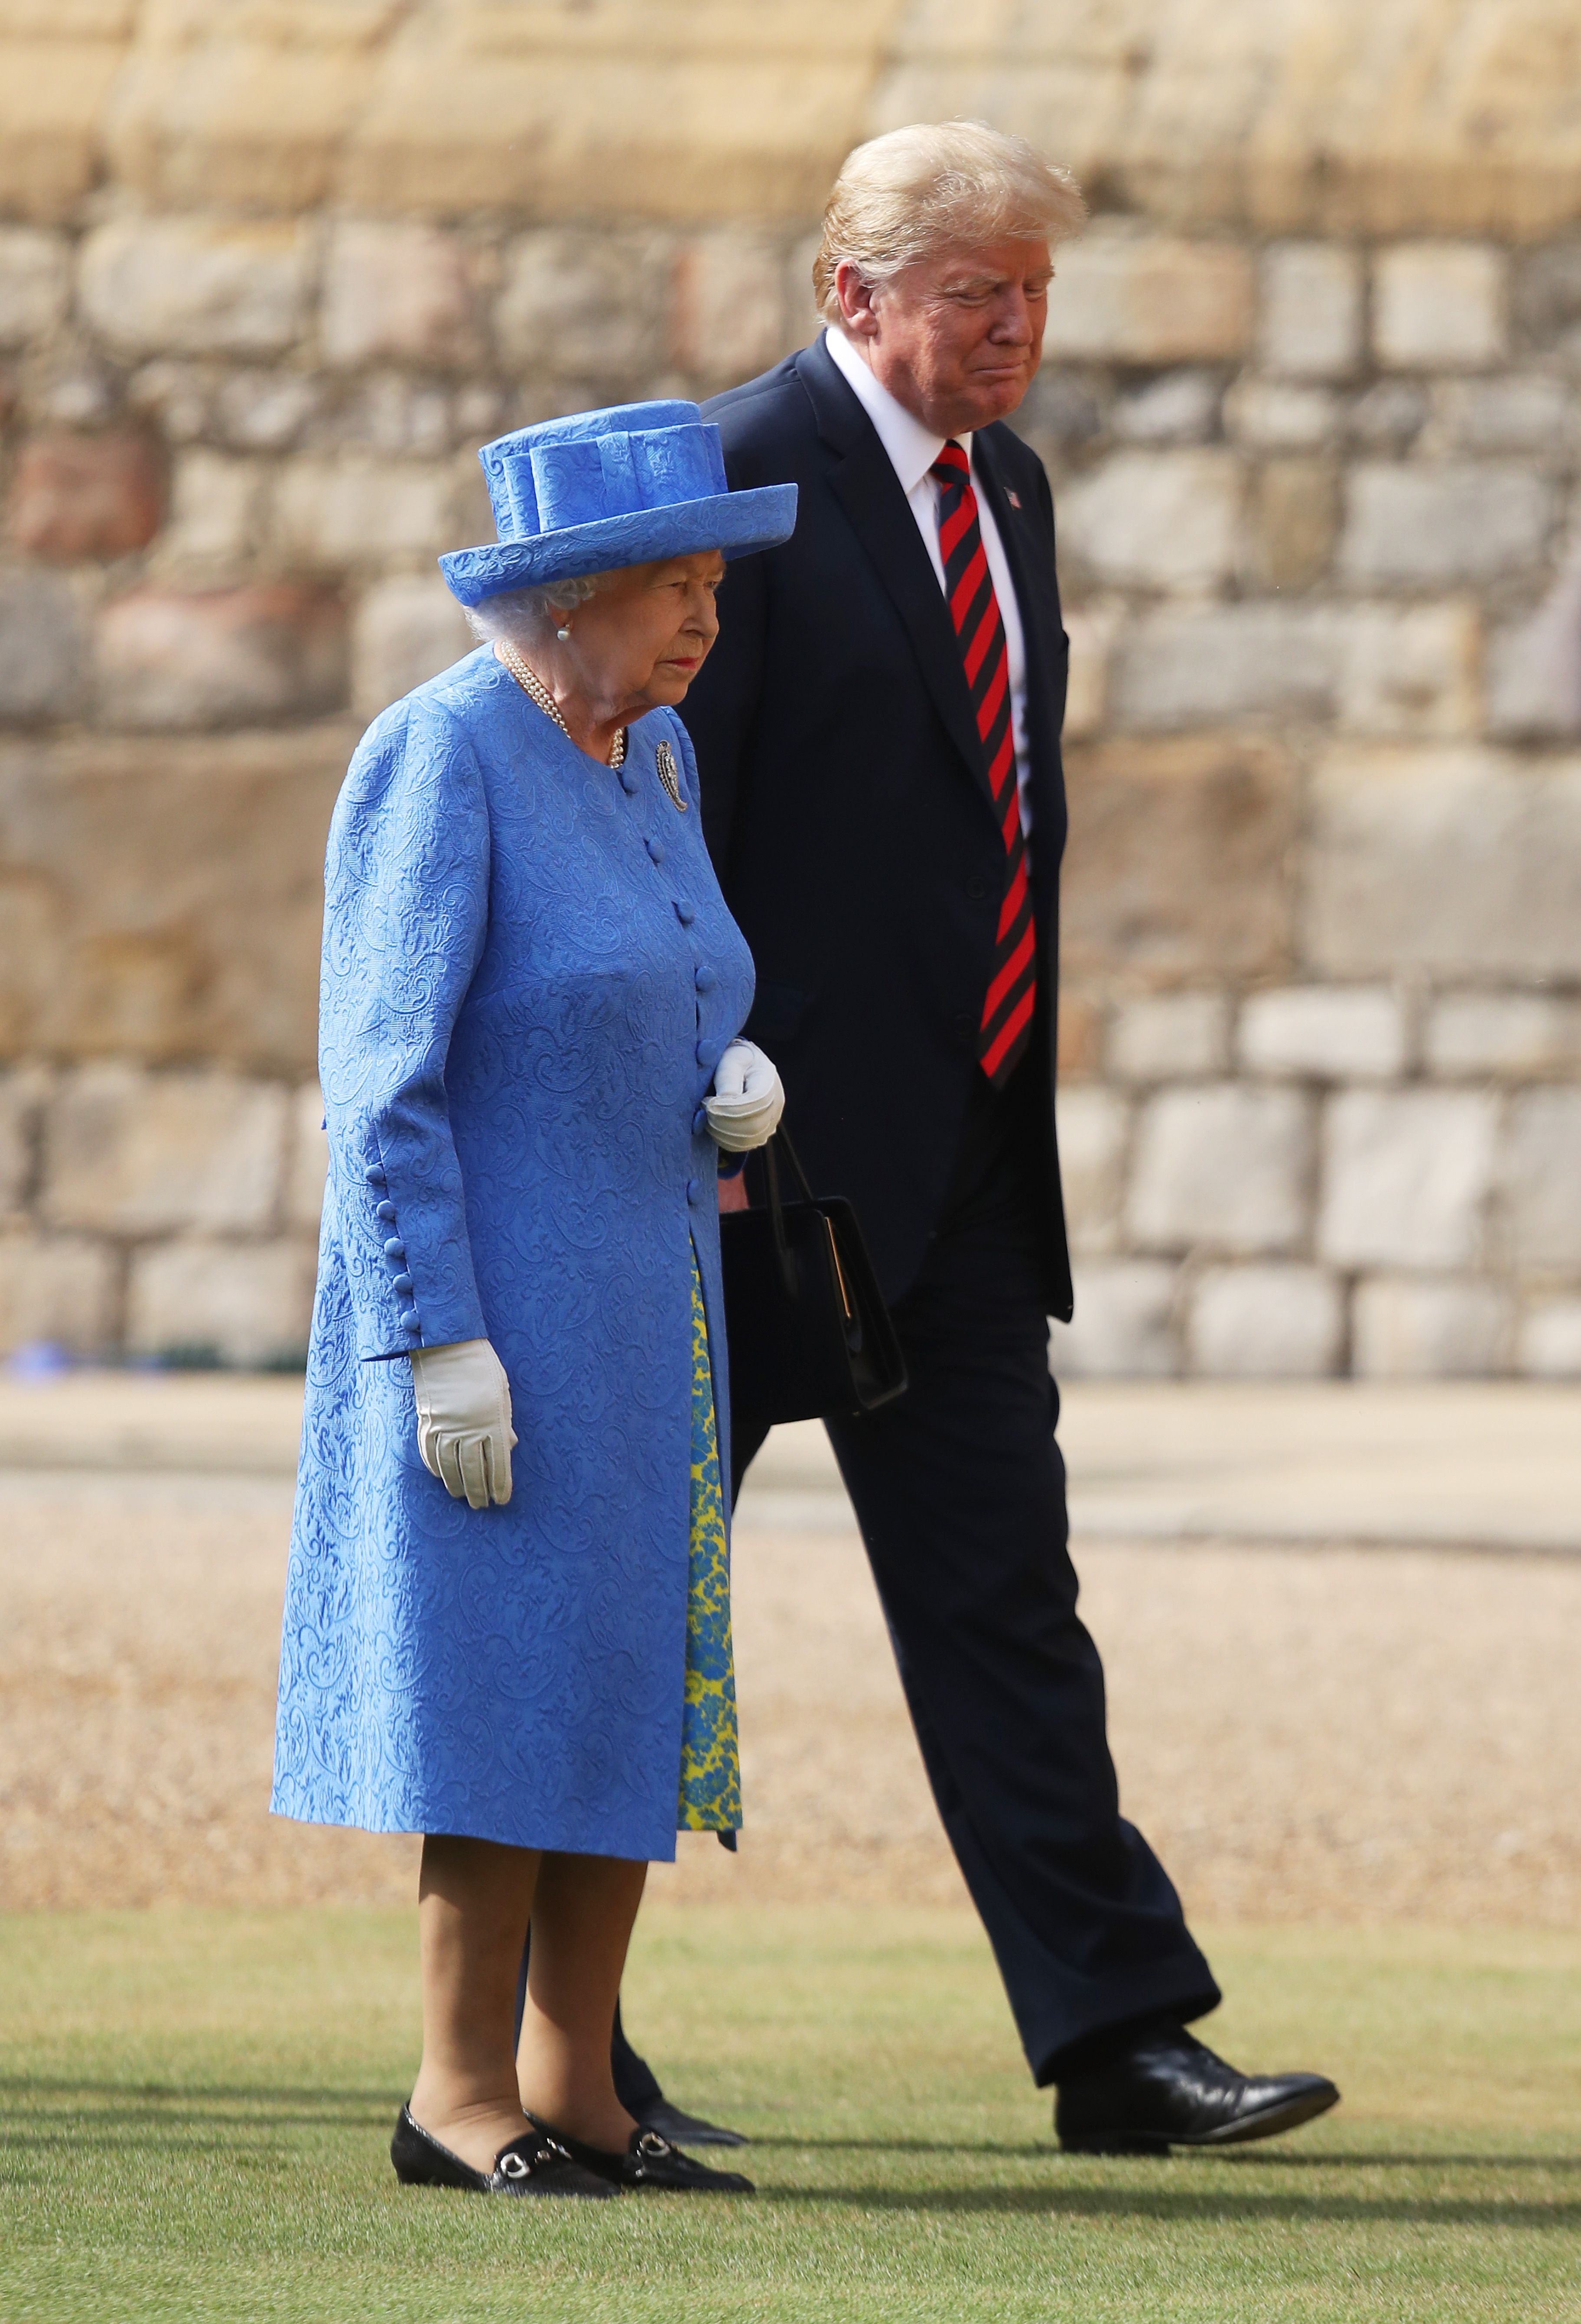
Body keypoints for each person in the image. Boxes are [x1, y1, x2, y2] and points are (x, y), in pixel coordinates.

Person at [621, 120, 1340, 2154]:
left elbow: (990, 813)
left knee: (1010, 1603)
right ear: (852, 294)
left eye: (1033, 293)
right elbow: (667, 828)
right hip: (750, 1178)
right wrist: (720, 1105)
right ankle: (541, 2055)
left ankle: (1118, 2039)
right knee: (640, 1603)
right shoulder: (732, 480)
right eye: (974, 295)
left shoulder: (1005, 484)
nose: (1016, 328)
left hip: (962, 1172)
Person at [270, 399, 794, 2197]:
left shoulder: (654, 762)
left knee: (621, 1689)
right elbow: (384, 1080)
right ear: (566, 598)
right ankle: (456, 2095)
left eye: (711, 585)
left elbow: (669, 985)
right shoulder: (441, 755)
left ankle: (582, 2087)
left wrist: (734, 1073)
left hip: (656, 1320)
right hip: (492, 1326)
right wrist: (436, 1339)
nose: (701, 621)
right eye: (670, 586)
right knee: (497, 1705)